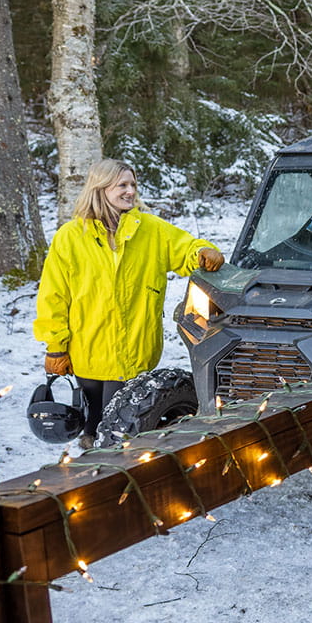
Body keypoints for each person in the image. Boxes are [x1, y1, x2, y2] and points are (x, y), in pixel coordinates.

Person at [34, 159, 223, 448]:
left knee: (123, 436)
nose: (130, 191)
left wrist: (202, 251)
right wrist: (55, 345)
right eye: (122, 185)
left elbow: (184, 248)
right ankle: (92, 480)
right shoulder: (69, 238)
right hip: (87, 353)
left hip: (135, 352)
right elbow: (53, 296)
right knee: (93, 432)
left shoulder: (150, 229)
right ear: (101, 188)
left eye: (132, 184)